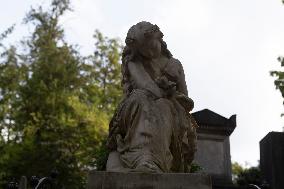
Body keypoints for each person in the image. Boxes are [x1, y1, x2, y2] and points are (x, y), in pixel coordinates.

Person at [106, 21, 197, 173]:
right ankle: (142, 158)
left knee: (164, 106)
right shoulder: (134, 62)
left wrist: (173, 94)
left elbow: (187, 102)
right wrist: (163, 89)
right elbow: (146, 87)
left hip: (169, 106)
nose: (149, 53)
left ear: (159, 37)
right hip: (138, 104)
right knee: (141, 98)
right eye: (144, 50)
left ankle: (154, 161)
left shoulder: (174, 64)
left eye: (151, 46)